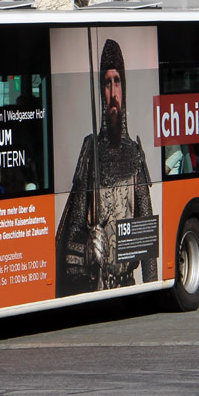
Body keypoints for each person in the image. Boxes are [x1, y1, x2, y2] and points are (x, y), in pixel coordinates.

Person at [55, 39, 157, 296]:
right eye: (107, 83)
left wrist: (153, 288)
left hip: (127, 284)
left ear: (124, 87)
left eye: (117, 82)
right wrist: (88, 246)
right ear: (101, 90)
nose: (113, 92)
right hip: (95, 285)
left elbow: (145, 231)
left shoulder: (135, 154)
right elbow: (72, 231)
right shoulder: (91, 151)